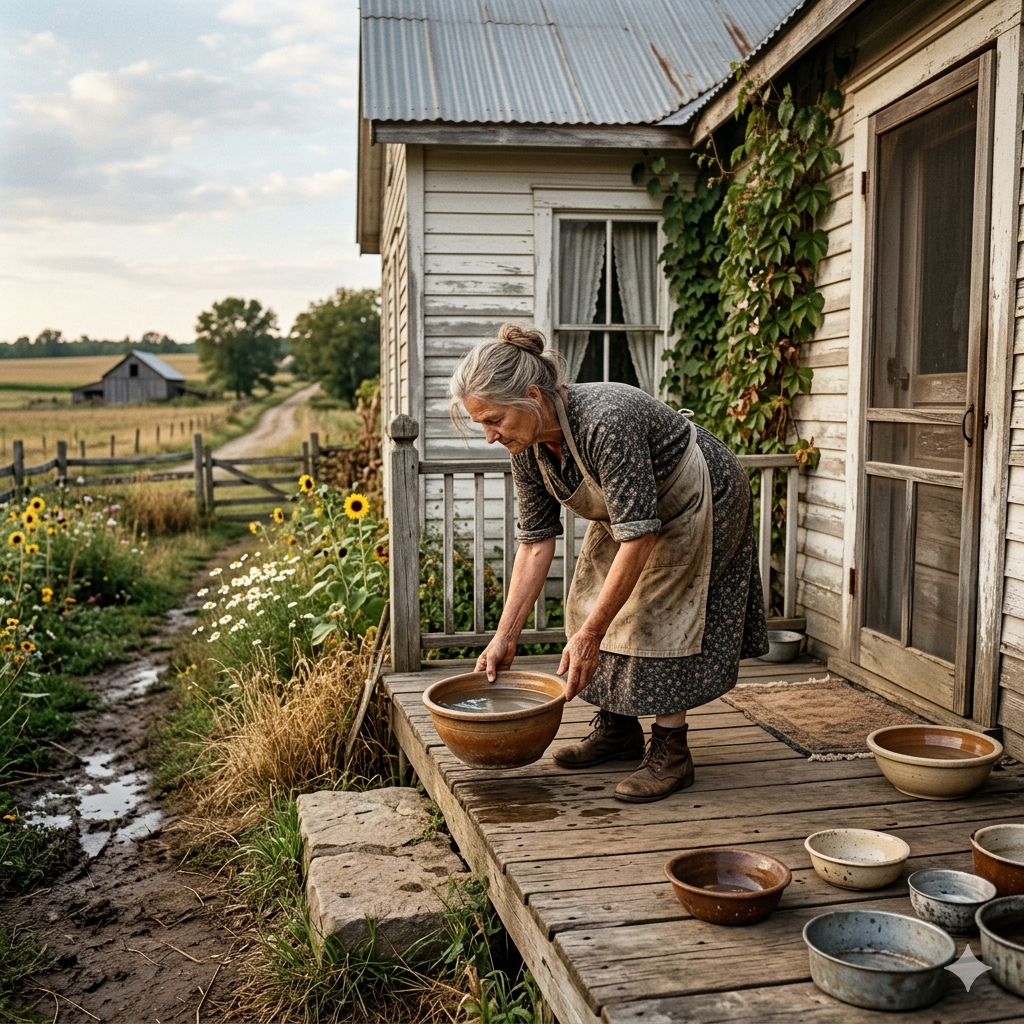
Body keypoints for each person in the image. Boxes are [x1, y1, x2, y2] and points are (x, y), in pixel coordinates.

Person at [448, 323, 769, 802]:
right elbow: (535, 543)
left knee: (656, 614)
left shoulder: (604, 420)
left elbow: (639, 542)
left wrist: (593, 635)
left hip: (698, 494)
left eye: (494, 420)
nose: (491, 436)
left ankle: (672, 753)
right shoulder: (527, 446)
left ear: (533, 396)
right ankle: (620, 730)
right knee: (588, 600)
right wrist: (504, 636)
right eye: (483, 425)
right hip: (636, 511)